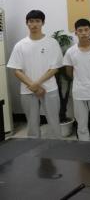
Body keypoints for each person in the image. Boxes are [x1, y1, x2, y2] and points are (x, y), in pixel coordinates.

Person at [7, 10, 63, 139]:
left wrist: (36, 84)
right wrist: (34, 87)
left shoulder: (52, 43)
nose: (34, 24)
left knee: (54, 121)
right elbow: (16, 70)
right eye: (31, 21)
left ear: (43, 23)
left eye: (37, 21)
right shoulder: (20, 45)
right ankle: (34, 148)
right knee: (32, 124)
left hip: (49, 89)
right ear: (27, 23)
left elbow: (55, 68)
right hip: (27, 90)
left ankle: (57, 147)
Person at [64, 18, 90, 142]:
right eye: (80, 30)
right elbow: (69, 72)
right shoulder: (71, 52)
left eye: (86, 30)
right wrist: (81, 81)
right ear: (76, 33)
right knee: (82, 125)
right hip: (79, 92)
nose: (83, 33)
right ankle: (84, 147)